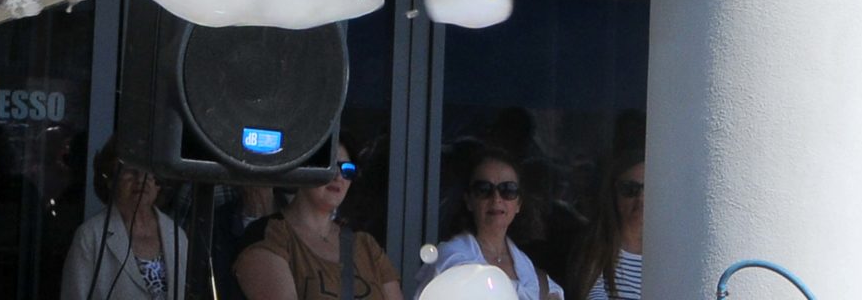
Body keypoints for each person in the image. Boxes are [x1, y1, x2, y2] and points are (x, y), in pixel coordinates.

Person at [233, 135, 402, 300]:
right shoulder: (269, 235)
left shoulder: (367, 246)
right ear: (305, 168)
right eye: (329, 166)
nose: (338, 176)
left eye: (348, 170)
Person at [414, 148, 563, 300]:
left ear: (518, 204)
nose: (496, 198)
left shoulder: (531, 271)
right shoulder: (450, 258)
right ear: (469, 200)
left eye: (508, 190)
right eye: (484, 189)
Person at [61, 136, 187, 300]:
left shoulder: (176, 235)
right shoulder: (90, 236)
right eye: (130, 171)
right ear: (110, 180)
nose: (140, 179)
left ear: (159, 183)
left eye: (149, 171)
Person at [568, 151, 644, 300]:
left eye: (652, 189)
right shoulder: (596, 249)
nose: (641, 198)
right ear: (613, 194)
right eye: (629, 189)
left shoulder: (673, 252)